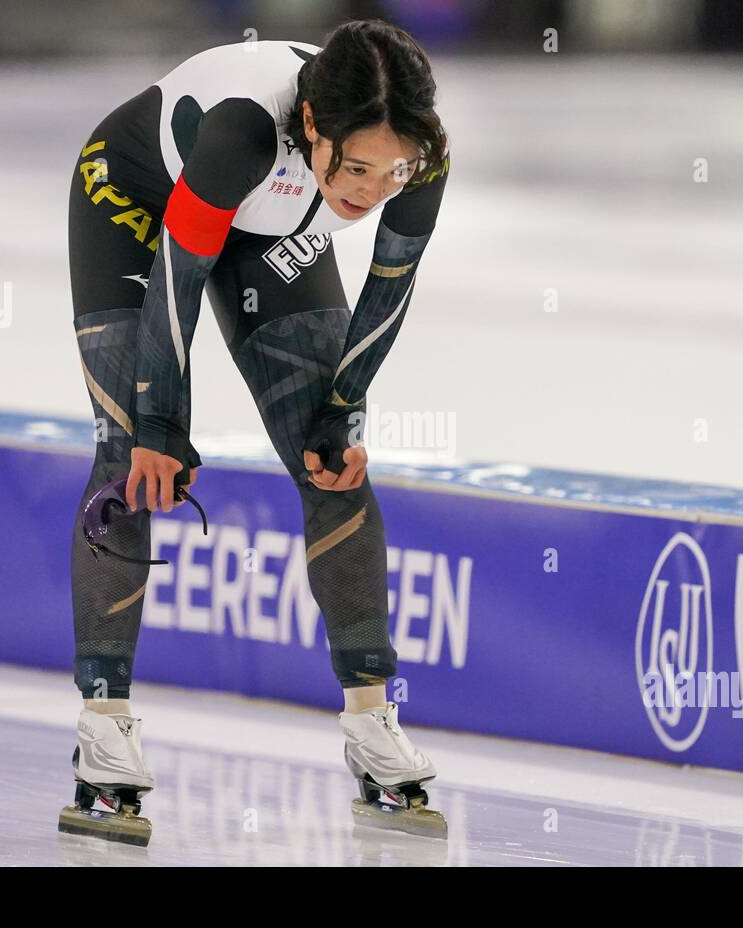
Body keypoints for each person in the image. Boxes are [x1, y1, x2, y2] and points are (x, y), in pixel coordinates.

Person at [59, 19, 451, 845]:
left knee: (332, 462)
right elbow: (177, 277)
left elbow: (389, 293)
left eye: (394, 173)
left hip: (271, 231)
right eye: (357, 168)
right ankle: (104, 729)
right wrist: (162, 422)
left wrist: (345, 406)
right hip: (139, 202)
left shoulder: (420, 155)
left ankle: (372, 718)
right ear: (313, 126)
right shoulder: (244, 128)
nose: (375, 189)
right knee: (130, 455)